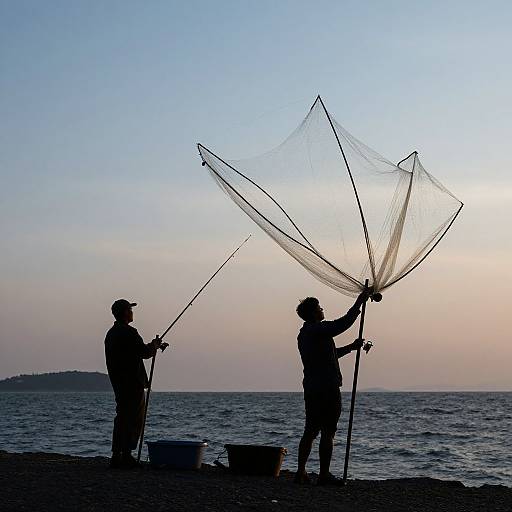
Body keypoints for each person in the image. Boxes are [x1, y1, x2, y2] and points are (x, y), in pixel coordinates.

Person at [294, 290, 371, 485]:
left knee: (310, 430)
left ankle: (301, 472)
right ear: (313, 314)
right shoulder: (318, 329)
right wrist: (359, 302)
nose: (322, 310)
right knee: (328, 431)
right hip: (326, 388)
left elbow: (330, 354)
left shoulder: (305, 334)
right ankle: (324, 475)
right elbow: (343, 323)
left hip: (312, 388)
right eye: (319, 308)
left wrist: (351, 348)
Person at [105, 299, 161, 468]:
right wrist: (155, 345)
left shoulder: (111, 333)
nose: (132, 312)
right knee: (134, 419)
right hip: (132, 383)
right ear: (125, 313)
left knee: (122, 417)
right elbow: (144, 352)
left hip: (119, 382)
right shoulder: (129, 332)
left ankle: (117, 455)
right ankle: (127, 455)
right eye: (130, 309)